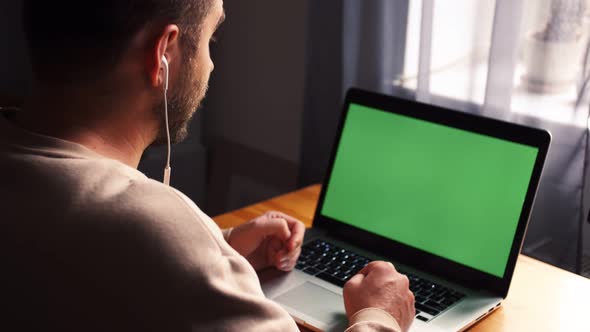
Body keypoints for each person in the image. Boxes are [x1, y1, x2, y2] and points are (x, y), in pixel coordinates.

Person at [0, 0, 415, 331]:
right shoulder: (154, 228)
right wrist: (379, 317)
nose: (210, 64)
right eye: (210, 40)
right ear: (163, 53)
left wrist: (219, 251)